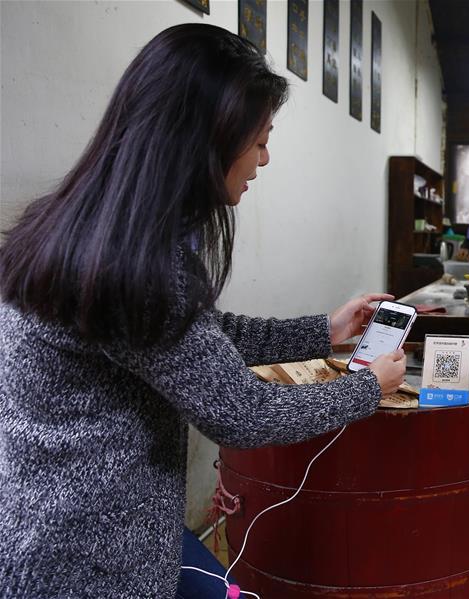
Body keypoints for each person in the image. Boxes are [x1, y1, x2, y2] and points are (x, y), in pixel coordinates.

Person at [0, 24, 407, 598]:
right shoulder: (135, 268)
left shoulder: (83, 227)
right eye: (260, 139)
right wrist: (369, 386)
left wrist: (326, 330)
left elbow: (198, 339)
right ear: (206, 138)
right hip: (86, 558)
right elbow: (241, 412)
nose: (264, 159)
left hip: (57, 524)